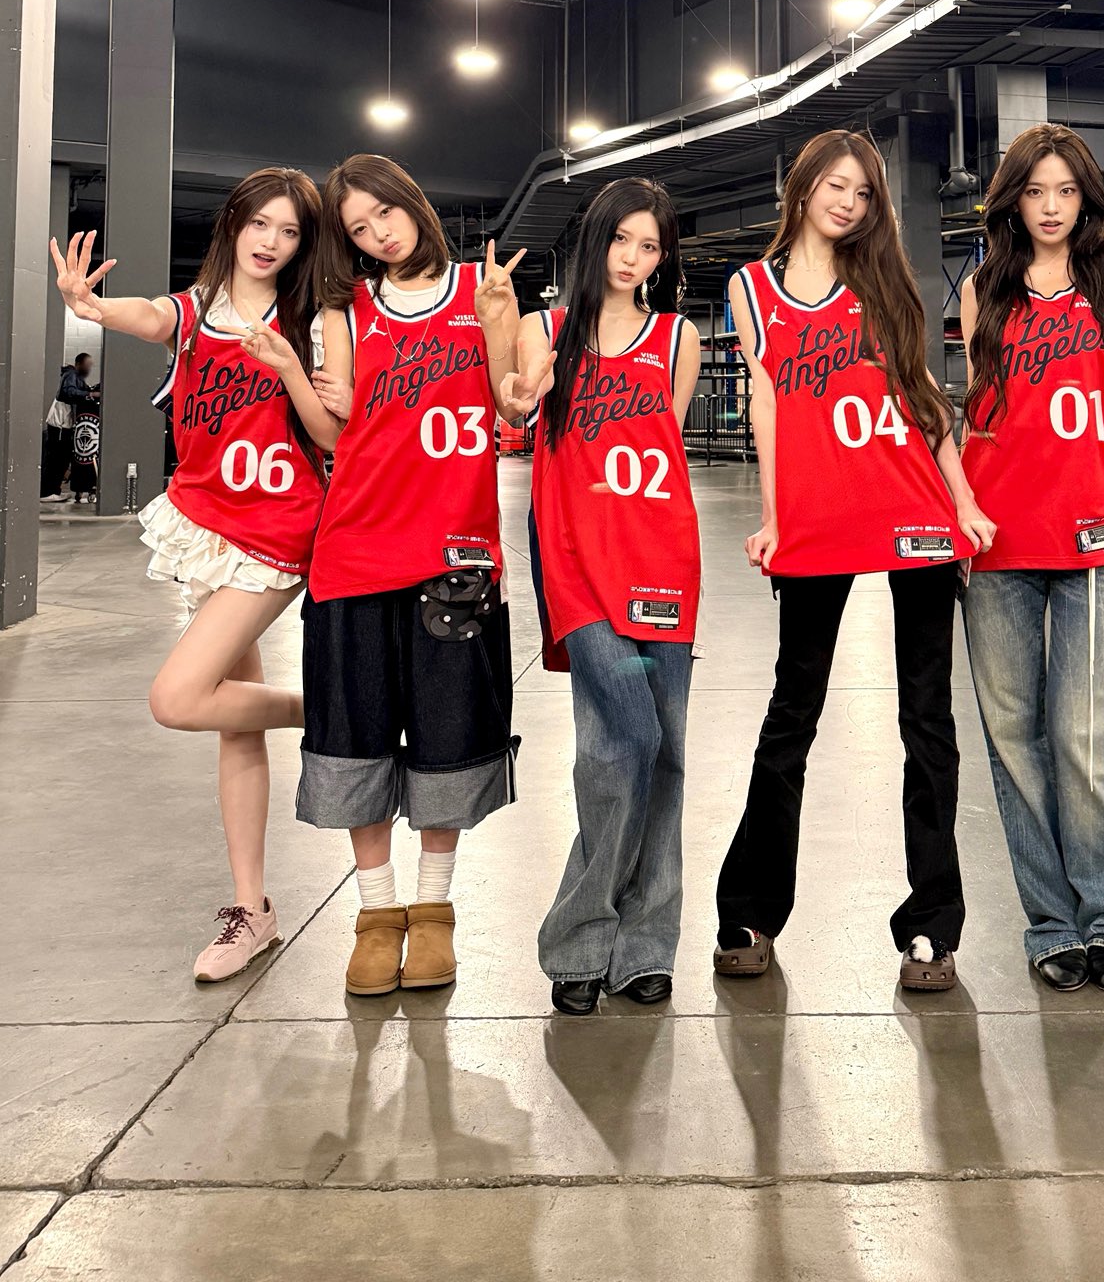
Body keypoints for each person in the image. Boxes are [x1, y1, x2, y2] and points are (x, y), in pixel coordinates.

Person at [712, 129, 996, 993]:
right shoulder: (751, 288)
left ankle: (932, 928)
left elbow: (922, 395)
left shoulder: (882, 283)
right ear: (802, 188)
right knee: (792, 714)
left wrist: (964, 500)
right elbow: (766, 402)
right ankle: (750, 913)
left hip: (912, 511)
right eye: (836, 185)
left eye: (864, 192)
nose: (848, 202)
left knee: (927, 721)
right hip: (820, 520)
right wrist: (774, 516)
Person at [48, 170, 340, 980]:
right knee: (232, 719)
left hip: (277, 529)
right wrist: (93, 306)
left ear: (302, 244)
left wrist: (290, 366)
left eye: (289, 230)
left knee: (177, 697)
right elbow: (148, 314)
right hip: (207, 525)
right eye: (260, 223)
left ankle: (343, 710)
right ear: (234, 224)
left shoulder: (311, 322)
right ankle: (252, 909)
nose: (271, 240)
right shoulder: (194, 310)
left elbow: (330, 432)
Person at [303, 154, 523, 999]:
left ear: (413, 203)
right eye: (359, 228)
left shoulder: (479, 287)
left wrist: (502, 327)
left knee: (447, 733)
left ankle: (433, 913)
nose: (378, 234)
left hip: (455, 554)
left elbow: (510, 404)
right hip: (356, 547)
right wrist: (300, 378)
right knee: (353, 731)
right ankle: (376, 913)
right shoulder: (346, 308)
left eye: (385, 213)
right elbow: (337, 429)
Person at [959, 124, 1104, 994]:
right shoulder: (985, 285)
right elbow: (981, 413)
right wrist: (961, 513)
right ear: (1013, 199)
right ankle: (1050, 923)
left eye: (1066, 192)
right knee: (1013, 739)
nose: (1050, 208)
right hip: (998, 537)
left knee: (1087, 735)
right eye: (1035, 192)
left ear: (1086, 197)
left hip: (1094, 535)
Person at [505, 178, 701, 1017]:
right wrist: (519, 393)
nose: (633, 258)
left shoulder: (677, 336)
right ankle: (580, 935)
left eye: (650, 246)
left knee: (665, 753)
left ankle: (644, 945)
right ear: (596, 240)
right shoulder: (543, 329)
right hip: (577, 566)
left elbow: (667, 446)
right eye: (622, 239)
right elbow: (515, 403)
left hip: (662, 561)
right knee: (621, 742)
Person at [39, 355, 94, 501]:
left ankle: (53, 490)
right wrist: (90, 394)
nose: (89, 368)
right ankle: (47, 492)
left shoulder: (73, 376)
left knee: (61, 459)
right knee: (56, 459)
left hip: (62, 424)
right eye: (87, 364)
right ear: (78, 364)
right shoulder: (71, 375)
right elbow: (69, 392)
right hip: (60, 425)